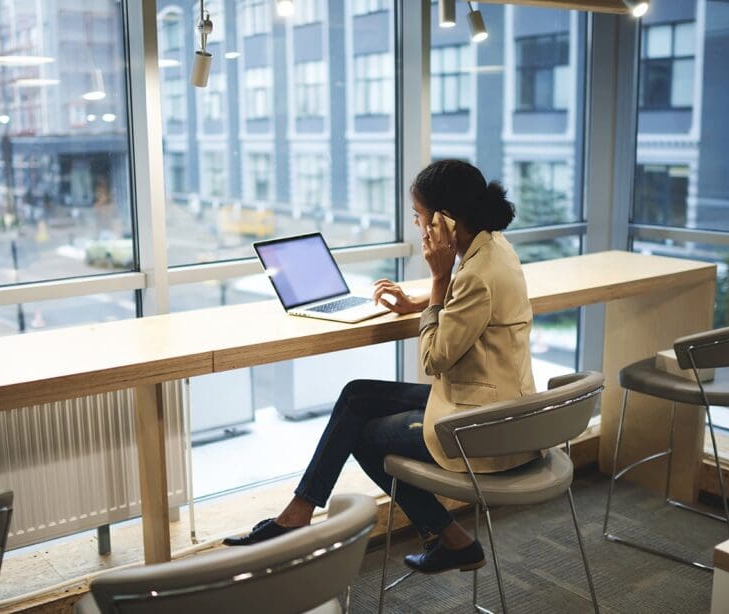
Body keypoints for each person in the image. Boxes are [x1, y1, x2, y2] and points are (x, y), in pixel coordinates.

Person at [225, 159, 537, 575]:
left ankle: (449, 538)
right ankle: (298, 514)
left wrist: (439, 281)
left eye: (420, 217)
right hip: (496, 401)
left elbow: (432, 360)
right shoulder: (494, 249)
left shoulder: (472, 274)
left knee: (364, 436)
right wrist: (426, 300)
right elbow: (470, 312)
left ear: (444, 221)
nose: (419, 227)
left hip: (480, 425)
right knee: (357, 395)